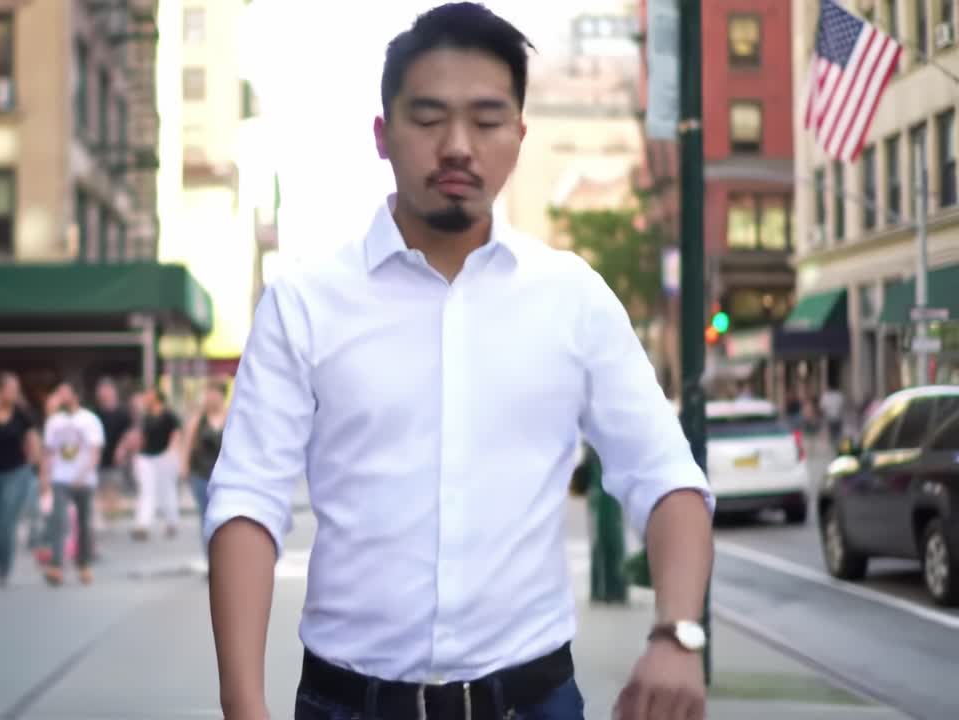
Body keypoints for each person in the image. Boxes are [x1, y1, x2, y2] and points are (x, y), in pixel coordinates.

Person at [202, 5, 714, 720]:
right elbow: (248, 502)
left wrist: (678, 635)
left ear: (519, 135)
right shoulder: (304, 303)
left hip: (532, 702)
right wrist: (243, 707)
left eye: (487, 119)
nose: (458, 146)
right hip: (347, 703)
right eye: (429, 117)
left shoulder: (573, 299)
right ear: (383, 134)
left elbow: (665, 478)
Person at [0, 371, 40, 587]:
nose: (15, 393)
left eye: (16, 389)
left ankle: (4, 567)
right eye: (12, 389)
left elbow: (33, 439)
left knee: (6, 522)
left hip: (15, 473)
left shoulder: (22, 414)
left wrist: (35, 467)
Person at [39, 379, 105, 585]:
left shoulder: (89, 420)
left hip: (83, 479)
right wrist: (44, 476)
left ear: (75, 395)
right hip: (60, 477)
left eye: (64, 392)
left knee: (84, 524)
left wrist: (84, 474)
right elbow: (48, 452)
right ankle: (56, 565)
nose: (59, 396)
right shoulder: (53, 422)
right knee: (59, 521)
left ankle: (83, 564)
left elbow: (95, 451)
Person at [129, 389, 183, 541]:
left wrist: (171, 453)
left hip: (164, 455)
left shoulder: (169, 415)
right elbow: (141, 436)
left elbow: (176, 434)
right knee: (147, 490)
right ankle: (142, 524)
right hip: (146, 457)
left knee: (167, 489)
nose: (146, 397)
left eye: (149, 395)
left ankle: (172, 521)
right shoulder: (145, 417)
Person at [181, 379, 228, 555]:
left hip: (225, 475)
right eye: (208, 394)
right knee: (207, 516)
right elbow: (188, 443)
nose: (210, 398)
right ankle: (211, 557)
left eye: (213, 394)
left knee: (224, 517)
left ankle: (224, 556)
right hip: (201, 473)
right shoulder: (199, 419)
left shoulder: (230, 416)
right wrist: (184, 466)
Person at [92, 378, 133, 528]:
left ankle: (112, 516)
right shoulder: (96, 412)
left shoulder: (123, 413)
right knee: (101, 487)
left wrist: (122, 448)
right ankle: (104, 515)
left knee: (113, 486)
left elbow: (129, 432)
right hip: (100, 455)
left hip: (116, 455)